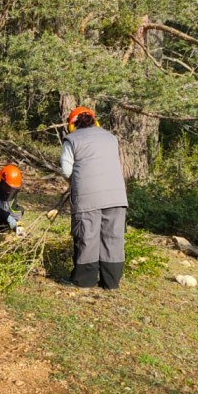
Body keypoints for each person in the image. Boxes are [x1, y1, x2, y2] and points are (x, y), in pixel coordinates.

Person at [60, 106, 128, 289]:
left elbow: (67, 170)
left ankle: (84, 281)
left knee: (87, 236)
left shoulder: (71, 140)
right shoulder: (110, 137)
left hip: (88, 197)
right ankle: (111, 282)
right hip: (117, 196)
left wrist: (74, 182)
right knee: (113, 238)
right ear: (95, 121)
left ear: (72, 126)